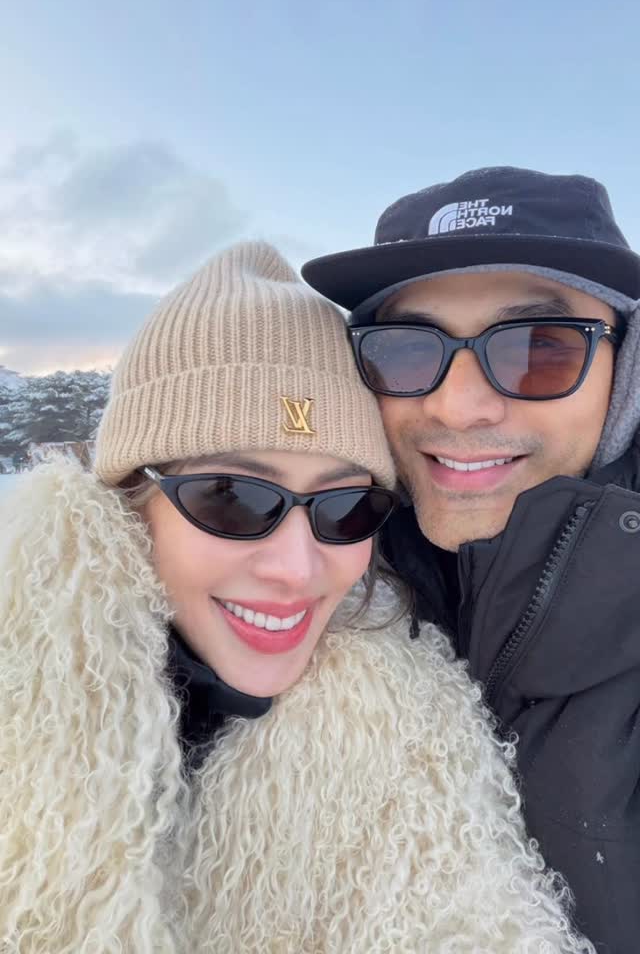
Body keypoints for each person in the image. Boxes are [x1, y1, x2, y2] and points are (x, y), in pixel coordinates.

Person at [0, 241, 592, 953]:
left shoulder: (413, 748)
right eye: (231, 497)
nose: (295, 567)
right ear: (130, 503)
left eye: (345, 508)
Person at [303, 166, 640, 954]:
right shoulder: (313, 586)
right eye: (404, 349)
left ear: (625, 374)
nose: (458, 406)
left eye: (540, 349)